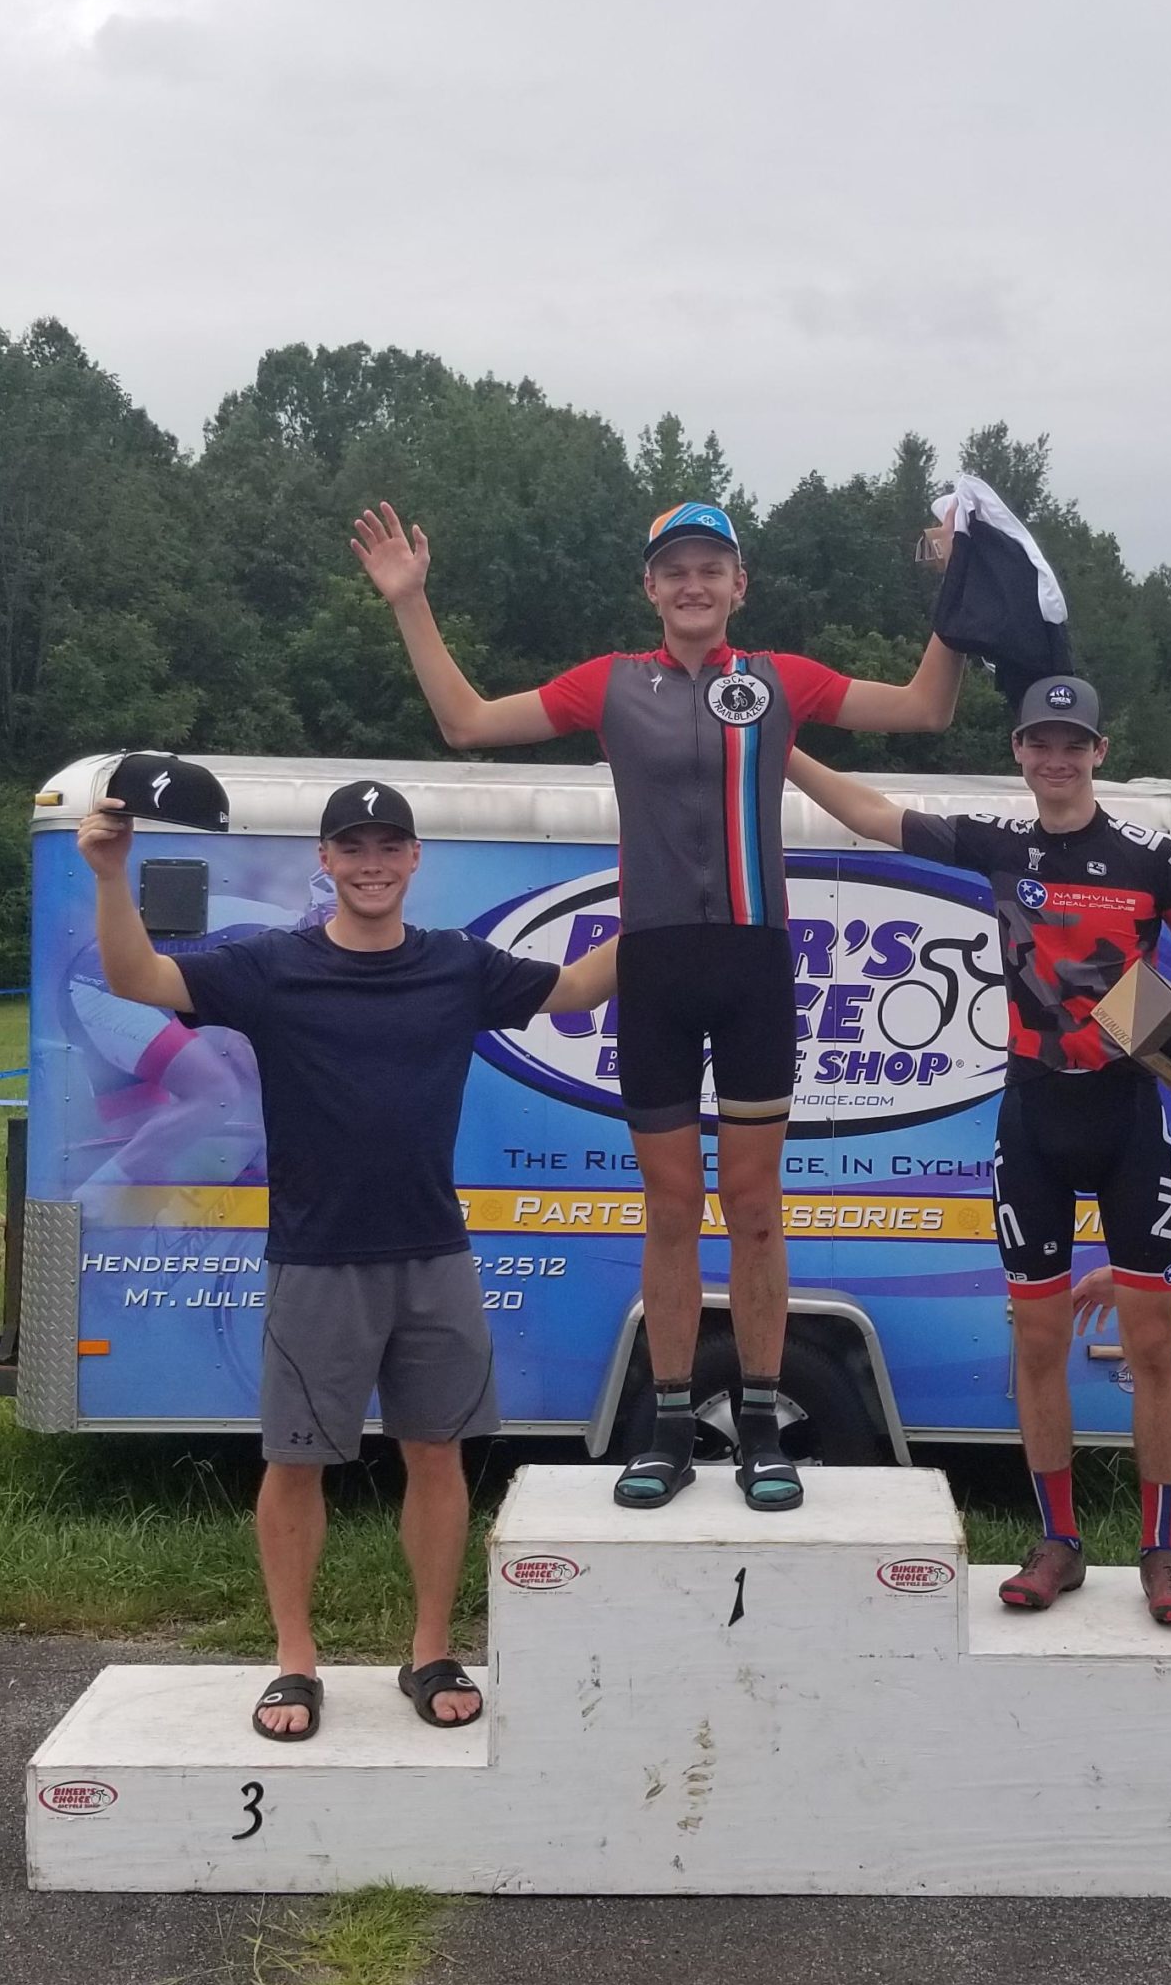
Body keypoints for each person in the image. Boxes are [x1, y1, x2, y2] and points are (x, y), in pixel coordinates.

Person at [353, 495, 963, 1514]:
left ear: (738, 585)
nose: (692, 584)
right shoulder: (609, 685)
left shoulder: (779, 679)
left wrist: (958, 589)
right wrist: (410, 603)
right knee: (673, 1209)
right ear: (650, 587)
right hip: (656, 973)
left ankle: (761, 1426)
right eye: (673, 569)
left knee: (757, 1211)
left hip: (756, 966)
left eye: (709, 568)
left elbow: (924, 707)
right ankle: (675, 1426)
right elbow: (465, 723)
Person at [76, 777, 620, 1739]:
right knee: (295, 1463)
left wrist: (672, 891)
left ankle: (430, 1649)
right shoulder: (270, 967)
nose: (371, 865)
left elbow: (579, 987)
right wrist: (112, 875)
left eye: (388, 847)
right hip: (316, 1257)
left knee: (437, 1456)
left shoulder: (460, 966)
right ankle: (294, 1663)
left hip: (434, 1254)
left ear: (416, 862)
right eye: (352, 849)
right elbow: (138, 982)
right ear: (324, 864)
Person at [786, 674, 1171, 1625]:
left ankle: (1162, 1552)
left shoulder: (1151, 856)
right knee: (1037, 1343)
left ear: (1098, 753)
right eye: (1040, 741)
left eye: (1074, 743)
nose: (1057, 757)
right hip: (1031, 1117)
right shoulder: (1000, 845)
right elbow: (873, 815)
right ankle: (1058, 1541)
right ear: (1020, 753)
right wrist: (779, 740)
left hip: (1128, 1121)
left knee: (1152, 1345)